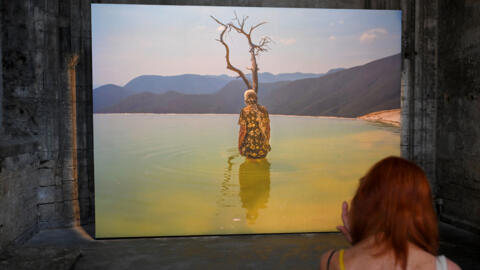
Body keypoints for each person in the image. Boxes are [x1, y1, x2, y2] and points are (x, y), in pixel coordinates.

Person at [320, 156, 461, 270]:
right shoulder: (447, 268)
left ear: (364, 203)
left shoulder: (332, 262)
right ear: (423, 210)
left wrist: (360, 243)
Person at [238, 89, 271, 159]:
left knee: (248, 168)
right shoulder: (264, 110)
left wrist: (239, 146)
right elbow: (268, 129)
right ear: (256, 99)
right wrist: (266, 142)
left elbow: (242, 131)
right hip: (263, 147)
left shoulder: (245, 111)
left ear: (246, 100)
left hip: (249, 148)